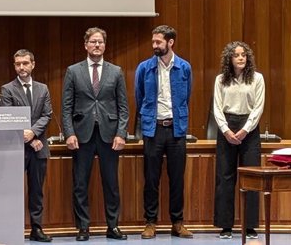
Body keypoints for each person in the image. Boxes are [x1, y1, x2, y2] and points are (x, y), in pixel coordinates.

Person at [62, 27, 129, 241]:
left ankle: (113, 226)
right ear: (86, 45)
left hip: (110, 135)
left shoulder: (116, 71)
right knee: (80, 183)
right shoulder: (73, 71)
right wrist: (69, 133)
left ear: (105, 45)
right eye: (93, 42)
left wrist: (121, 133)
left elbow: (124, 107)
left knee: (111, 183)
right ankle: (83, 228)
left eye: (100, 42)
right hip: (82, 135)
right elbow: (66, 107)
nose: (97, 45)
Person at [134, 25, 193, 239]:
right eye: (153, 42)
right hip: (153, 129)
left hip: (176, 129)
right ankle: (150, 222)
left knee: (177, 178)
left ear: (170, 42)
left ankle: (177, 223)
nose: (154, 46)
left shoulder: (184, 67)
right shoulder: (144, 68)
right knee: (151, 178)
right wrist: (148, 120)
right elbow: (139, 98)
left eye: (158, 42)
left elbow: (187, 97)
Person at [213, 41, 265, 240]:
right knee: (225, 178)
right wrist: (226, 130)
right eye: (236, 55)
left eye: (243, 54)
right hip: (226, 127)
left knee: (251, 178)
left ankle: (250, 225)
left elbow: (258, 107)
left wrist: (245, 129)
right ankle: (225, 225)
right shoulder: (220, 80)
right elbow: (217, 108)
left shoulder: (257, 78)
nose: (241, 58)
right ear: (230, 59)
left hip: (249, 129)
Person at [0, 49, 53, 242]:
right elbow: (8, 117)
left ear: (33, 64)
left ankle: (36, 228)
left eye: (25, 63)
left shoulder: (43, 88)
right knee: (13, 189)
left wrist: (34, 132)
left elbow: (47, 115)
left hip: (39, 148)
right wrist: (30, 138)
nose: (21, 67)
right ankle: (11, 229)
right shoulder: (7, 89)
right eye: (18, 64)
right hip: (17, 148)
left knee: (37, 190)